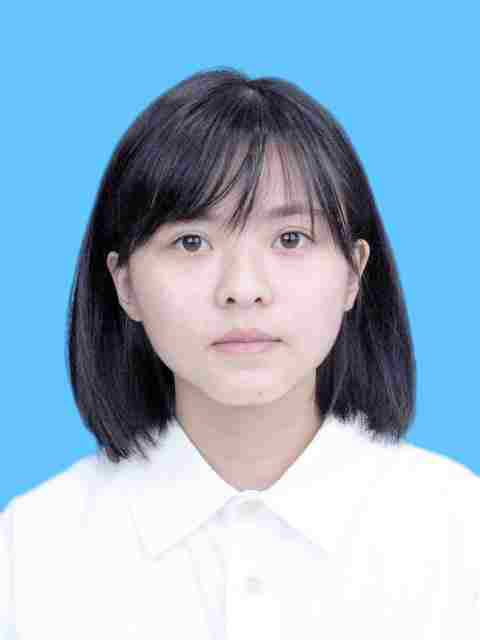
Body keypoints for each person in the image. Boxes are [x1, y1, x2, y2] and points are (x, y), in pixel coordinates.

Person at [1, 67, 478, 639]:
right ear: (124, 284)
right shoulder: (30, 552)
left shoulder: (459, 534)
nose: (243, 288)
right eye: (191, 242)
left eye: (291, 239)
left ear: (354, 273)